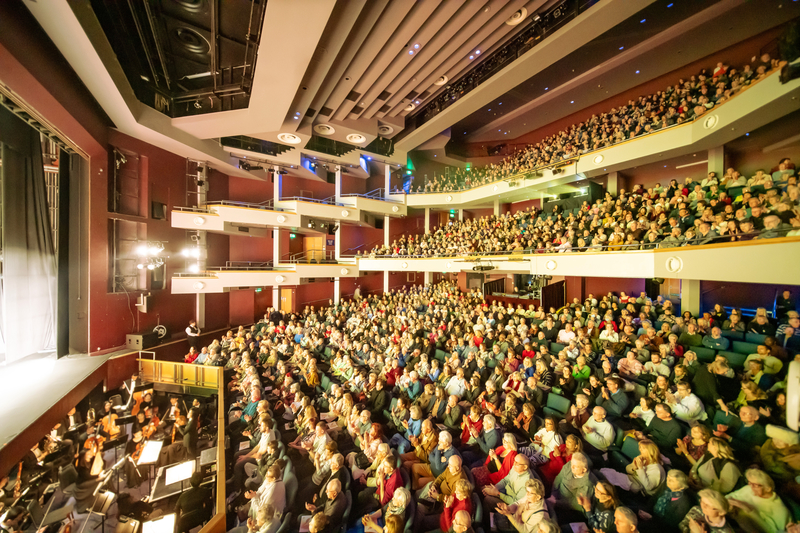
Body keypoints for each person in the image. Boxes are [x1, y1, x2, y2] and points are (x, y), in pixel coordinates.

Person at [726, 468, 791, 533]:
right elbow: (728, 496)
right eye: (749, 482)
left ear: (768, 489)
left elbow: (772, 531)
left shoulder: (780, 510)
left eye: (754, 485)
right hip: (731, 520)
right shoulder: (749, 489)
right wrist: (730, 502)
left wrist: (749, 510)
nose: (750, 486)